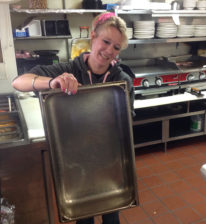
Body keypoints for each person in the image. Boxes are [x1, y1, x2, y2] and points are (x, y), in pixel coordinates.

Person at [12, 12, 134, 224]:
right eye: (106, 41)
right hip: (76, 162)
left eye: (116, 47)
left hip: (109, 161)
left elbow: (126, 124)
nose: (109, 51)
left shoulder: (122, 81)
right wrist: (52, 82)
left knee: (112, 214)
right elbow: (19, 82)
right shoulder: (68, 69)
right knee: (83, 217)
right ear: (93, 37)